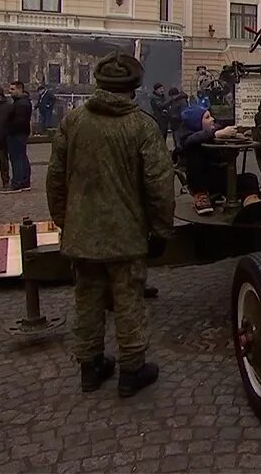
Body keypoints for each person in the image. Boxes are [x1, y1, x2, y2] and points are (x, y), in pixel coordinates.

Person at [47, 52, 172, 397]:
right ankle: (132, 370)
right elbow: (159, 184)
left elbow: (56, 177)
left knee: (86, 299)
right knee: (128, 299)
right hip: (127, 234)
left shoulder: (73, 122)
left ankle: (90, 367)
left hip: (82, 231)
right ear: (133, 87)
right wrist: (161, 229)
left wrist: (64, 219)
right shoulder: (142, 126)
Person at [177, 103, 259, 215]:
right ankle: (200, 196)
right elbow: (191, 140)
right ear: (196, 123)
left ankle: (251, 203)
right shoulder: (189, 140)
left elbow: (223, 157)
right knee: (195, 154)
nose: (212, 119)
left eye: (210, 116)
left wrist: (234, 140)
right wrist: (216, 134)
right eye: (207, 117)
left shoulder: (213, 134)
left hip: (220, 179)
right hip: (202, 182)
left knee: (250, 179)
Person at [5, 80, 33, 193]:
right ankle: (24, 181)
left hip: (16, 134)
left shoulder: (21, 103)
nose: (10, 91)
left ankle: (17, 182)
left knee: (17, 158)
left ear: (19, 89)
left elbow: (19, 121)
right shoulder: (22, 102)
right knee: (21, 157)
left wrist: (9, 128)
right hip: (20, 133)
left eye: (12, 89)